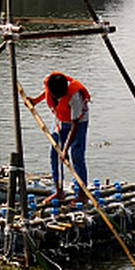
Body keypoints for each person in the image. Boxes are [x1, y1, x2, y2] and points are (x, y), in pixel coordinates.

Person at [28, 70, 90, 203]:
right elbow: (47, 93)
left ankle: (82, 194)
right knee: (54, 152)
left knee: (76, 155)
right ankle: (59, 190)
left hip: (78, 122)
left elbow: (75, 125)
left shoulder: (74, 96)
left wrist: (65, 149)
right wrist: (35, 101)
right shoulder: (52, 84)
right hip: (60, 119)